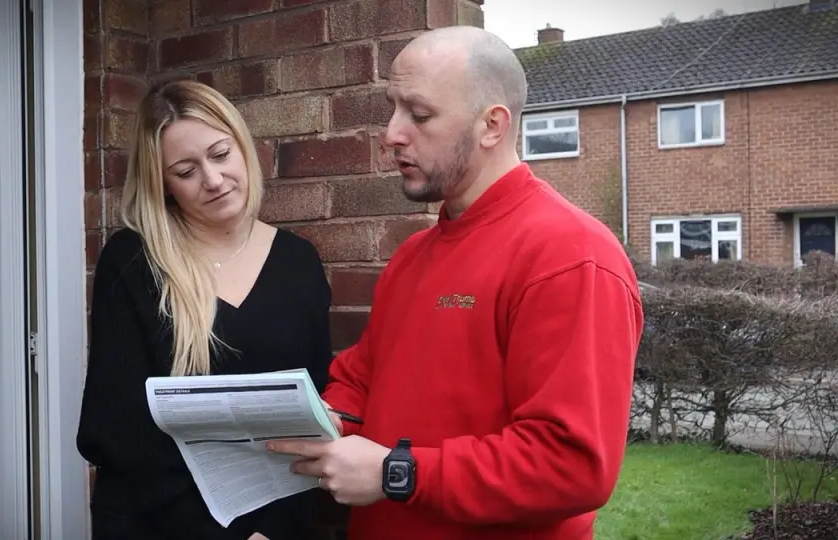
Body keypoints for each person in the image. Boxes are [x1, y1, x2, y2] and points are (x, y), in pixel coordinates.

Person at [267, 25, 644, 540]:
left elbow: (571, 464)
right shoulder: (413, 256)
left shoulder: (571, 255)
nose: (392, 133)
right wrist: (327, 421)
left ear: (491, 125)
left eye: (419, 115)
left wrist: (394, 474)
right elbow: (360, 381)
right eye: (393, 108)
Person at [76, 79, 333, 540]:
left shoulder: (299, 261)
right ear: (165, 185)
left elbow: (308, 409)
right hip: (158, 524)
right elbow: (114, 428)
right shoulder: (135, 259)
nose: (213, 180)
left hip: (277, 522)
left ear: (242, 147)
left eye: (220, 155)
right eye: (186, 170)